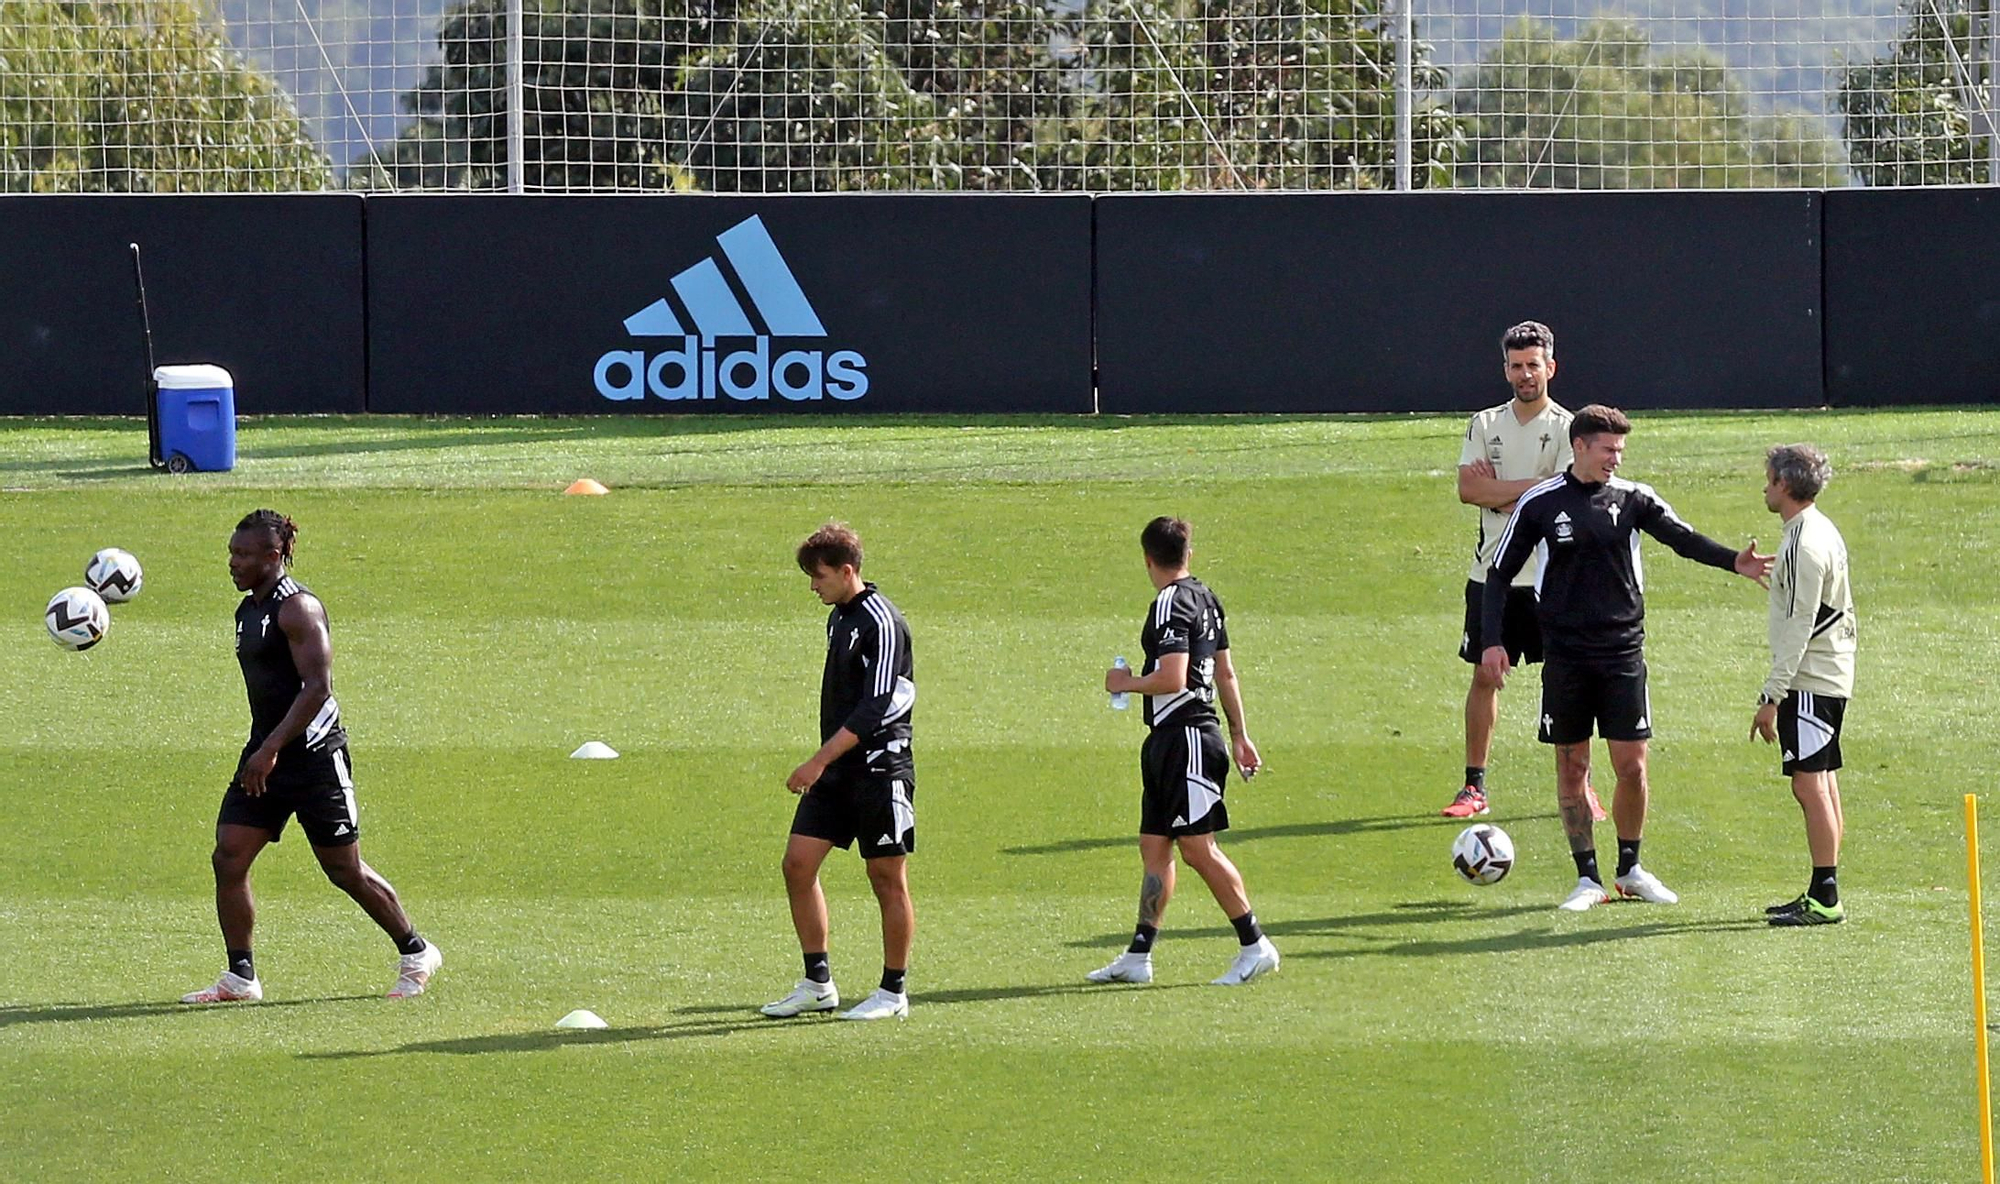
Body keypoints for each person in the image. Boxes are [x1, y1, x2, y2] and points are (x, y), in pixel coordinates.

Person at [1481, 407, 1772, 911]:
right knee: (1573, 766)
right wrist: (1492, 641)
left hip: (1622, 653)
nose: (1616, 458)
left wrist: (1733, 562)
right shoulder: (1541, 503)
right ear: (1580, 446)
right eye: (1608, 449)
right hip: (1567, 656)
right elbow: (1498, 574)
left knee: (1632, 766)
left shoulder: (1633, 499)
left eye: (1620, 451)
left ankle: (1630, 868)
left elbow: (1682, 539)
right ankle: (1587, 879)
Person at [182, 510, 441, 1004]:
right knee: (229, 855)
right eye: (231, 553)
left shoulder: (297, 609)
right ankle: (241, 977)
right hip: (266, 754)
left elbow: (317, 688)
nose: (233, 563)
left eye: (243, 554)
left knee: (344, 870)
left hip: (314, 758)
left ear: (273, 556)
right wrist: (263, 751)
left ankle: (416, 950)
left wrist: (271, 750)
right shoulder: (248, 610)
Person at [1089, 517, 1279, 987]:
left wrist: (1125, 683)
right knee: (1155, 846)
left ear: (1148, 558)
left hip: (1186, 738)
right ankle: (1138, 956)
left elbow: (1174, 678)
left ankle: (1255, 944)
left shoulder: (1170, 603)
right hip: (1174, 738)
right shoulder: (1207, 599)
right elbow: (1226, 673)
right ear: (1187, 553)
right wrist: (1239, 734)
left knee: (1198, 848)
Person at [1443, 321, 1602, 824]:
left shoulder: (1569, 426)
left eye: (1534, 365)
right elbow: (1470, 491)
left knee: (1571, 681)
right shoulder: (1484, 423)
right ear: (1506, 369)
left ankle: (1582, 787)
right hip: (1493, 574)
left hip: (1555, 578)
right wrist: (1533, 490)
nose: (1525, 374)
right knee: (1485, 675)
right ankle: (1474, 787)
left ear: (1550, 367)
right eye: (1516, 366)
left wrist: (1507, 490)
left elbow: (1564, 492)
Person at [761, 523, 918, 1022]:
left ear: (847, 571)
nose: (813, 586)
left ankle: (893, 993)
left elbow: (876, 707)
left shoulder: (881, 620)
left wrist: (817, 760)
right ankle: (817, 982)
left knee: (886, 878)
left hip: (879, 769)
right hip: (838, 770)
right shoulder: (840, 618)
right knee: (797, 865)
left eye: (820, 576)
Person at [1750, 445, 1856, 926]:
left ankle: (1826, 896)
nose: (1765, 487)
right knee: (1823, 782)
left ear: (1785, 485)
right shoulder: (1818, 529)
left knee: (1808, 784)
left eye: (1769, 479)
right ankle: (1821, 889)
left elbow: (1800, 626)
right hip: (1828, 673)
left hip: (1811, 678)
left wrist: (1771, 695)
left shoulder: (1802, 543)